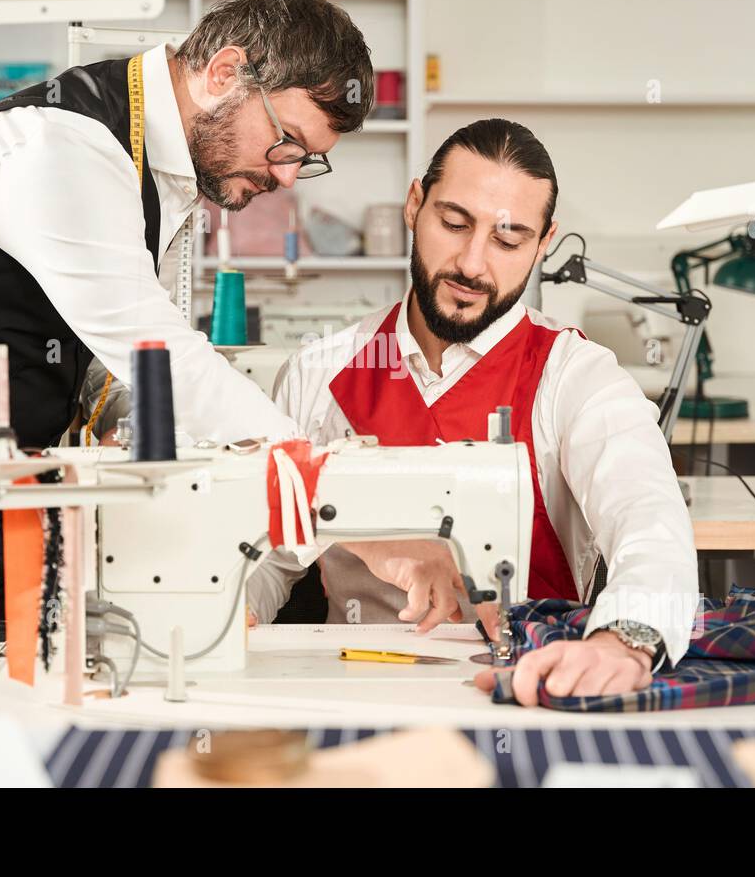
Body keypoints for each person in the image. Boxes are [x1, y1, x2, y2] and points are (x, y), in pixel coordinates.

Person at [0, 0, 373, 689]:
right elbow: (158, 354)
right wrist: (355, 506)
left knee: (19, 713)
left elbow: (97, 346)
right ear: (223, 74)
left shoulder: (152, 155)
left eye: (307, 159)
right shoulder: (58, 148)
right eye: (287, 143)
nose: (286, 176)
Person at [251, 119, 699, 700]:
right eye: (453, 223)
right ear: (415, 204)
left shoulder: (576, 378)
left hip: (530, 686)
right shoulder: (319, 372)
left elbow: (650, 521)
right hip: (345, 685)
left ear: (543, 243)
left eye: (509, 241)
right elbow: (262, 550)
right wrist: (236, 610)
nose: (471, 263)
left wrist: (625, 639)